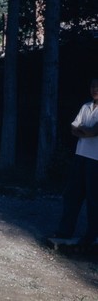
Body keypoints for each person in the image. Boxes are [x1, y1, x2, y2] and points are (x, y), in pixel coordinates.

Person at [54, 78, 98, 245]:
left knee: (94, 199)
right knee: (72, 195)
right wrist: (85, 132)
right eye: (93, 86)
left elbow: (94, 132)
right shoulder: (85, 107)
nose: (95, 89)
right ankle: (64, 231)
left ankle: (91, 235)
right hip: (81, 155)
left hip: (96, 159)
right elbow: (73, 129)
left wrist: (85, 131)